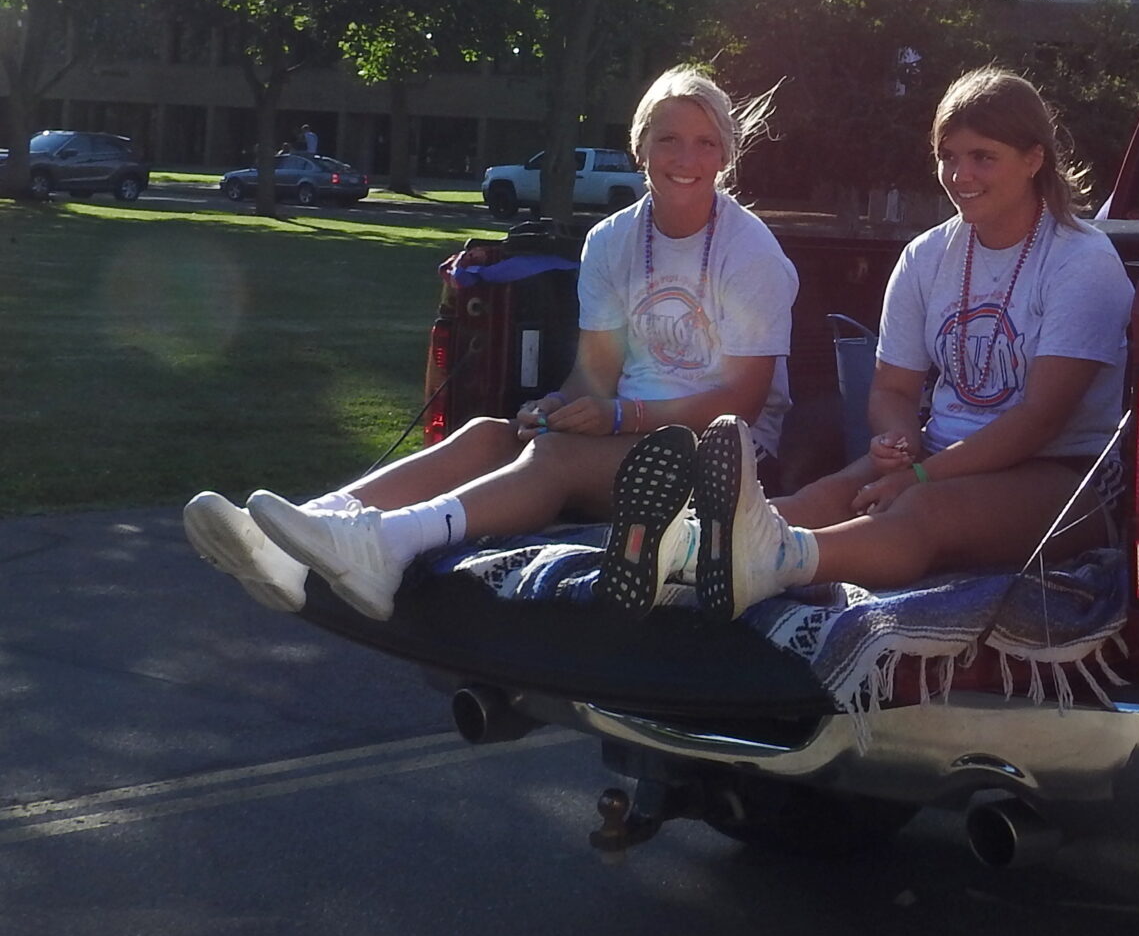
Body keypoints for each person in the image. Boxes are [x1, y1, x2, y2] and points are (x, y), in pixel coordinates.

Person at [183, 67, 795, 620]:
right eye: (669, 138)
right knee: (490, 433)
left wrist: (616, 416)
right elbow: (596, 372)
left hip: (724, 459)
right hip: (625, 433)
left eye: (705, 142)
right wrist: (556, 409)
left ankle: (387, 547)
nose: (686, 156)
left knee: (554, 459)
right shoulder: (611, 240)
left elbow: (740, 400)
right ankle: (291, 540)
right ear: (639, 148)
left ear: (724, 158)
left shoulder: (751, 252)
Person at [660, 67, 1132, 618]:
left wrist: (919, 476)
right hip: (936, 456)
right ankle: (680, 550)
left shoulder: (1083, 260)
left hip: (1066, 476)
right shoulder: (926, 256)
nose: (961, 175)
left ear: (1034, 160)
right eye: (948, 156)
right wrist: (899, 441)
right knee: (827, 495)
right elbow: (893, 388)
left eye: (983, 156)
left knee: (924, 511)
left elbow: (1041, 419)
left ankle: (768, 560)